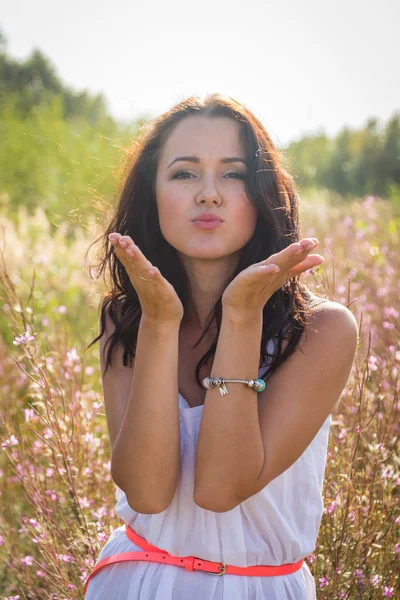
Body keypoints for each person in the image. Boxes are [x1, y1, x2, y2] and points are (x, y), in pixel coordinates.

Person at [84, 93, 358, 599]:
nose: (208, 194)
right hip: (134, 583)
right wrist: (160, 326)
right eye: (184, 173)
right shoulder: (128, 316)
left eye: (232, 174)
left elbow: (218, 489)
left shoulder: (322, 330)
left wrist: (241, 316)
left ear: (262, 193)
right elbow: (145, 492)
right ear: (152, 195)